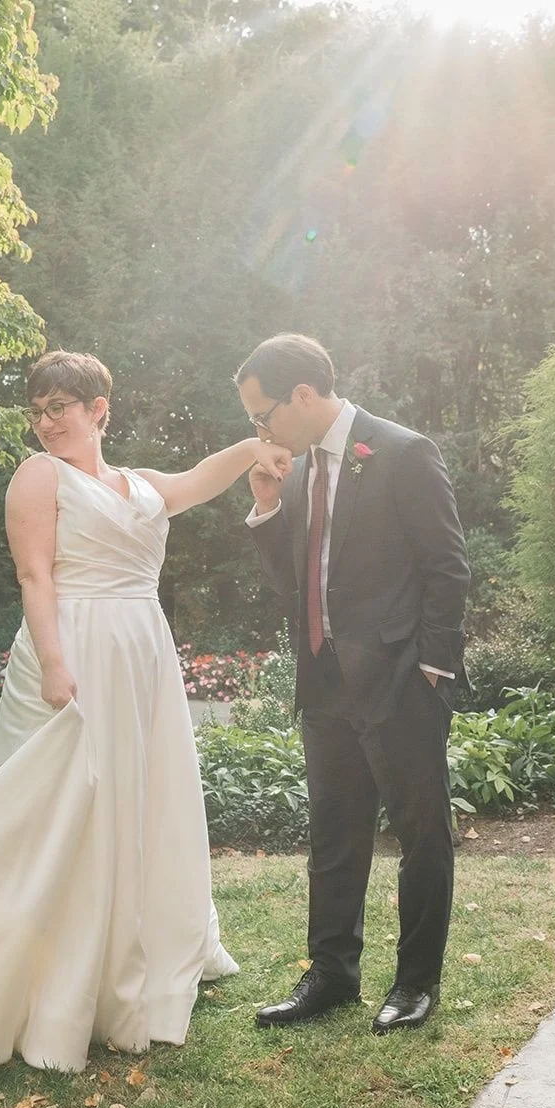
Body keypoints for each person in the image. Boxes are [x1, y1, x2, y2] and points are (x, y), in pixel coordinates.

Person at [0, 349, 292, 1072]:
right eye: (38, 409)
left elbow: (194, 482)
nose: (47, 421)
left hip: (141, 654)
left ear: (98, 410)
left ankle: (128, 953)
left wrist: (250, 447)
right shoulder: (38, 475)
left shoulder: (140, 484)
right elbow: (33, 572)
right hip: (74, 650)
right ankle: (5, 969)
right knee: (55, 809)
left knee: (136, 798)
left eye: (60, 406)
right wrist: (55, 663)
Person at [235, 333, 469, 1035]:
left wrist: (431, 669)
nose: (260, 430)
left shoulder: (401, 451)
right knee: (334, 836)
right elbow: (299, 585)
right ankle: (331, 974)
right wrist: (269, 506)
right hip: (325, 681)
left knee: (420, 834)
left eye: (263, 414)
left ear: (302, 395)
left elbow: (447, 568)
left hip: (400, 680)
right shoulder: (298, 470)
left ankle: (414, 983)